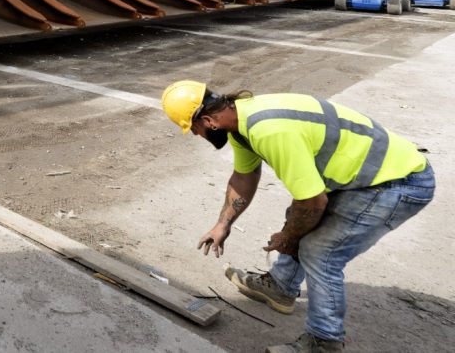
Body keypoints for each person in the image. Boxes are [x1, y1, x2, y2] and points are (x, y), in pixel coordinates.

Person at [161, 80, 434, 353]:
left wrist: (289, 237)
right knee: (299, 217)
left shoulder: (268, 130)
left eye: (193, 129)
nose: (197, 135)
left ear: (209, 121)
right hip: (366, 177)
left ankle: (324, 343)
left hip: (399, 182)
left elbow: (313, 201)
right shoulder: (242, 121)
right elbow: (245, 176)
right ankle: (282, 286)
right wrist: (223, 224)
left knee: (320, 251)